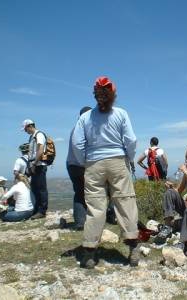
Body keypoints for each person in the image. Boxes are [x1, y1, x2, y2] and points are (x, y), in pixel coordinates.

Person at [72, 76, 140, 268]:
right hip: (118, 161)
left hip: (93, 163)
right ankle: (133, 248)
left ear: (96, 96)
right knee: (125, 202)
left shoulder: (85, 117)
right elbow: (131, 140)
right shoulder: (121, 113)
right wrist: (128, 157)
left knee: (95, 207)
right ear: (113, 95)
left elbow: (77, 144)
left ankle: (90, 253)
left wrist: (84, 162)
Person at [66, 106, 92, 230]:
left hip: (71, 164)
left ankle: (80, 222)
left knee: (79, 193)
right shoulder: (85, 127)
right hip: (81, 164)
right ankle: (93, 219)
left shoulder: (75, 127)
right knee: (91, 192)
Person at [22, 119, 48, 219]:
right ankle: (37, 209)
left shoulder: (39, 135)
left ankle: (42, 211)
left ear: (29, 126)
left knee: (41, 189)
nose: (25, 131)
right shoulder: (32, 137)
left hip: (39, 165)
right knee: (35, 188)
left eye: (25, 129)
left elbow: (40, 149)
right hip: (34, 165)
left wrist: (34, 163)